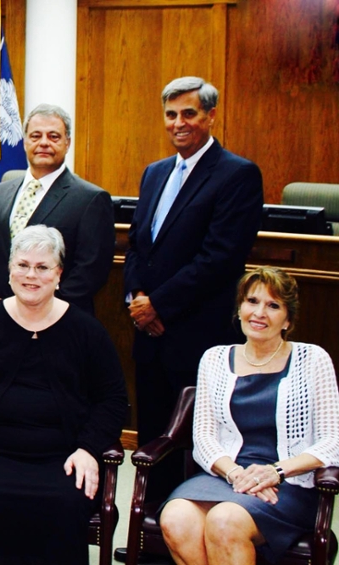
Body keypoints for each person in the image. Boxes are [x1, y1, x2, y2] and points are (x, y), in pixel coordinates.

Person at [0, 225, 127, 565]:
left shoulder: (87, 331)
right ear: (9, 271)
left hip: (64, 459)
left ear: (58, 274)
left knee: (65, 504)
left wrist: (88, 449)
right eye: (22, 265)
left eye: (42, 267)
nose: (30, 275)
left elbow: (112, 400)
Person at [123, 76, 263, 507]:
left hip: (195, 336)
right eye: (171, 115)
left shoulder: (237, 174)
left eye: (189, 113)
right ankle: (152, 536)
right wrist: (135, 300)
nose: (178, 123)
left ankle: (188, 531)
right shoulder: (155, 173)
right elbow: (137, 247)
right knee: (152, 441)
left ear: (210, 116)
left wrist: (158, 304)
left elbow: (220, 258)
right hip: (149, 337)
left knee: (195, 444)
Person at [159, 267, 339, 564]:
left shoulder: (312, 359)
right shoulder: (214, 358)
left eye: (273, 305)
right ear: (240, 308)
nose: (259, 313)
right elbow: (203, 437)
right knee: (176, 518)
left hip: (289, 484)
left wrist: (276, 471)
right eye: (252, 301)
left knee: (225, 521)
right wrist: (236, 474)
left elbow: (333, 441)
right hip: (228, 475)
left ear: (288, 319)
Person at [0, 103, 114, 315]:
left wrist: (37, 310)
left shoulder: (91, 199)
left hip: (57, 321)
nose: (44, 143)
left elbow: (91, 270)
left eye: (53, 136)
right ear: (25, 141)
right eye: (36, 136)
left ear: (67, 143)